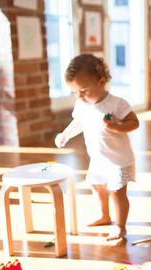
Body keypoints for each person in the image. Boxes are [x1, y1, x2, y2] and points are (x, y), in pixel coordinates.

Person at [55, 53, 139, 241]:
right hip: (98, 159)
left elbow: (134, 122)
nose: (80, 96)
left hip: (119, 160)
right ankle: (104, 215)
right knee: (96, 186)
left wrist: (117, 126)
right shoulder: (81, 105)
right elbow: (78, 122)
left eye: (84, 90)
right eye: (75, 92)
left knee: (117, 193)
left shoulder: (116, 104)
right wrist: (65, 135)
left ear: (101, 82)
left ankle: (120, 226)